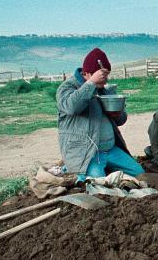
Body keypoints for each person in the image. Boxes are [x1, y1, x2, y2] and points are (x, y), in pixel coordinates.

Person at [57, 48, 144, 182]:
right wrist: (91, 83)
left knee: (139, 174)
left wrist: (117, 114)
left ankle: (100, 168)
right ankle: (71, 168)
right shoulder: (67, 87)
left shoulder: (103, 89)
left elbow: (121, 119)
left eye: (106, 75)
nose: (106, 79)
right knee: (98, 182)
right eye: (102, 75)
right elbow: (72, 107)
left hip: (110, 150)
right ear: (87, 73)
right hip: (87, 153)